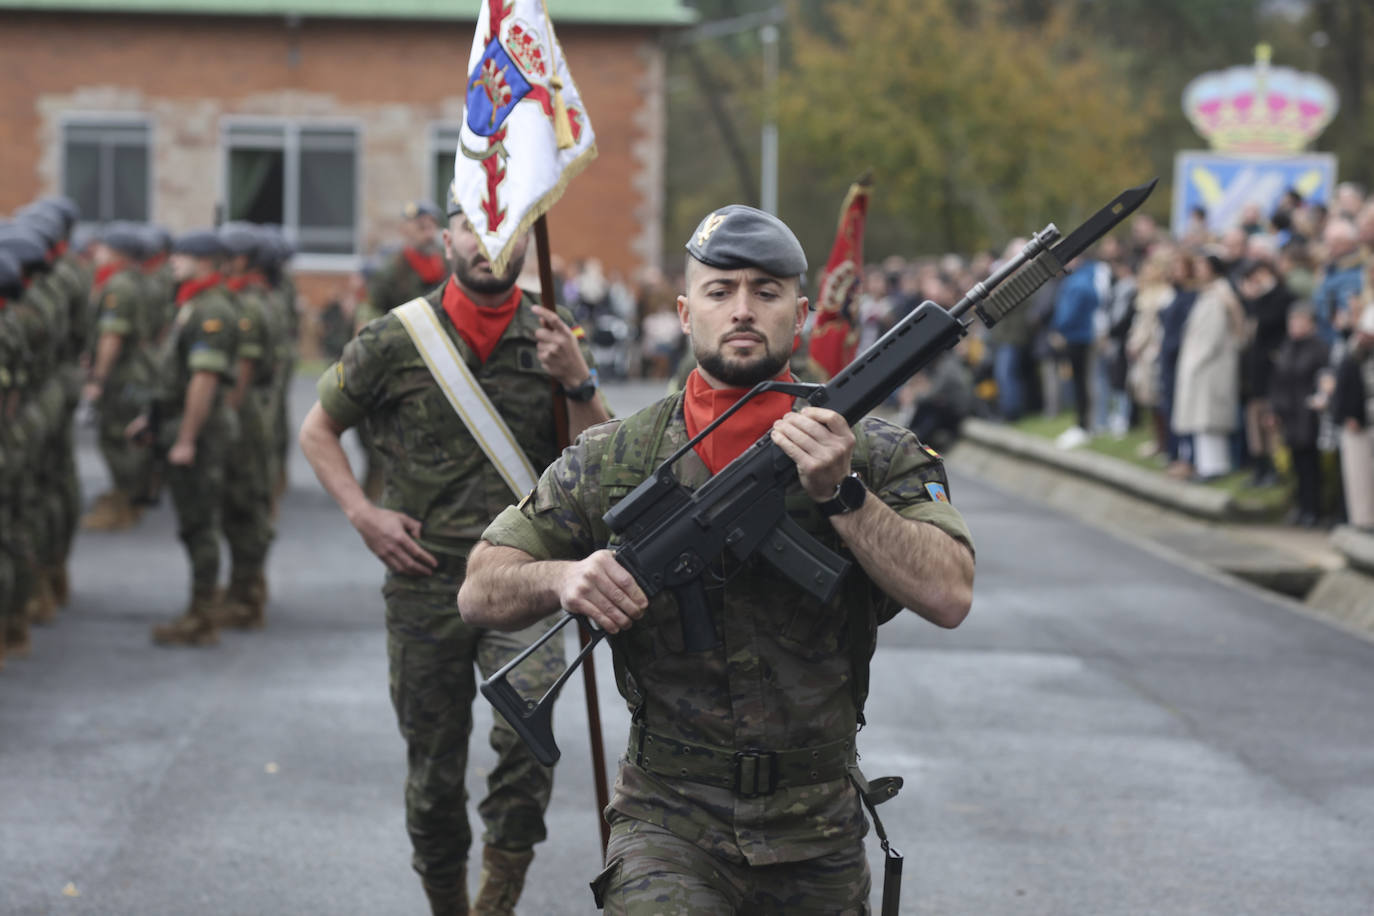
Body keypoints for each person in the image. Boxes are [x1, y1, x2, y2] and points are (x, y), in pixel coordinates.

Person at [458, 205, 975, 914]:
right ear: (683, 311)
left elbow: (949, 594)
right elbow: (479, 587)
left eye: (765, 293)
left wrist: (843, 495)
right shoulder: (619, 457)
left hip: (817, 826)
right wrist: (566, 577)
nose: (741, 310)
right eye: (719, 290)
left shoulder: (874, 453)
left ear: (799, 314)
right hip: (669, 819)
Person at [298, 192, 609, 915]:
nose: (487, 242)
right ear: (447, 238)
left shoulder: (557, 336)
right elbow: (318, 430)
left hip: (526, 584)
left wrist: (578, 380)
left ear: (529, 241)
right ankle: (447, 903)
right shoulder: (392, 339)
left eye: (505, 227)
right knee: (433, 771)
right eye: (472, 225)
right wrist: (364, 514)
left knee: (526, 753)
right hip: (426, 580)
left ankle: (495, 902)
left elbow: (603, 459)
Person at [130, 230, 241, 645]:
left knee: (200, 525)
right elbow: (176, 375)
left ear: (209, 262)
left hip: (200, 429)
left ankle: (202, 617)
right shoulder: (192, 302)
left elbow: (204, 379)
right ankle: (200, 609)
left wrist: (186, 439)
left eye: (187, 254)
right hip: (179, 421)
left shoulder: (211, 310)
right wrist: (152, 418)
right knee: (193, 524)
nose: (175, 259)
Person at [81, 222, 155, 531]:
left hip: (123, 374)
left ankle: (125, 505)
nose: (97, 252)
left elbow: (112, 336)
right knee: (128, 438)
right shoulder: (140, 281)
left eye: (103, 247)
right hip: (139, 369)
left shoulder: (119, 286)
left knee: (116, 439)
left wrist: (98, 379)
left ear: (118, 253)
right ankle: (130, 498)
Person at [1172, 249, 1245, 480]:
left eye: (1203, 267)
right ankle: (1206, 466)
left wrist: (1194, 362)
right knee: (1203, 420)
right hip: (1205, 365)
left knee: (1208, 419)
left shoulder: (1219, 295)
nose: (1198, 271)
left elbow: (1212, 335)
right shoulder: (1210, 293)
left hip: (1211, 366)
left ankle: (1213, 467)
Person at [1271, 304, 1331, 527]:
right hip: (1290, 415)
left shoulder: (1319, 349)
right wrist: (1275, 409)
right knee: (1296, 463)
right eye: (1292, 321)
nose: (1295, 326)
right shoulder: (1286, 347)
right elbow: (1277, 381)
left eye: (1300, 321)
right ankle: (1301, 506)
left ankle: (1314, 509)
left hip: (1309, 415)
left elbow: (1324, 379)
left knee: (1311, 465)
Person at [1332, 304, 1374, 529]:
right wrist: (1350, 414)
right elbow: (1347, 387)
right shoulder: (1354, 354)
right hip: (1359, 423)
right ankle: (1363, 522)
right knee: (1359, 477)